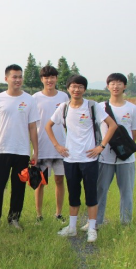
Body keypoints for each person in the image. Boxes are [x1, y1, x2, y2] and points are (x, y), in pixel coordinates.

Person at [45, 75, 117, 243]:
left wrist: (101, 146)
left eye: (80, 87)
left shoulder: (92, 106)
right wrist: (57, 145)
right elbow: (48, 126)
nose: (76, 90)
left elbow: (112, 125)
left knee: (91, 194)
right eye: (73, 86)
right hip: (70, 159)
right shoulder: (63, 108)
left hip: (89, 159)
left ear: (84, 89)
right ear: (68, 88)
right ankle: (72, 228)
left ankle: (92, 229)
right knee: (73, 194)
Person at [0, 64, 39, 229]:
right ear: (6, 78)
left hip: (22, 151)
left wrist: (35, 151)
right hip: (2, 149)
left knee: (19, 187)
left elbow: (32, 127)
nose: (17, 80)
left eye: (20, 76)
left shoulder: (29, 100)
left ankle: (14, 218)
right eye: (14, 76)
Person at [92, 73, 136, 227]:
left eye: (119, 83)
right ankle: (97, 222)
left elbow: (135, 131)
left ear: (125, 86)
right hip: (104, 157)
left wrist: (123, 148)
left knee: (126, 192)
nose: (115, 86)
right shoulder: (99, 107)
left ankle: (126, 223)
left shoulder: (132, 109)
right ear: (107, 86)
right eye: (112, 83)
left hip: (126, 159)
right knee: (100, 190)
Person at [32, 65, 69, 223]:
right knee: (40, 182)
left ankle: (58, 213)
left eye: (52, 77)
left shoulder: (64, 97)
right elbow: (32, 124)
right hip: (42, 146)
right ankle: (39, 215)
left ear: (56, 79)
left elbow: (68, 121)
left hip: (61, 147)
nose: (49, 80)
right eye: (46, 77)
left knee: (59, 180)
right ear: (42, 79)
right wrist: (34, 149)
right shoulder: (35, 98)